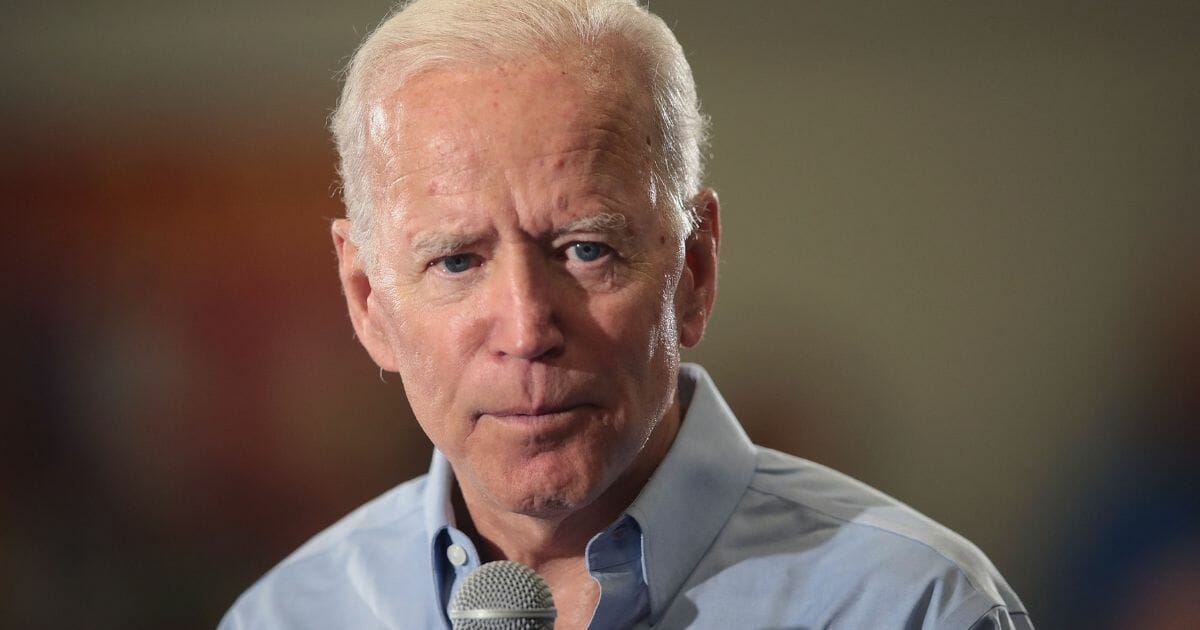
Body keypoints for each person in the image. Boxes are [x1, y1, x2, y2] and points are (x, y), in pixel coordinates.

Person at [220, 1, 1033, 628]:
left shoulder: (909, 608)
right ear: (368, 303)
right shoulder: (287, 616)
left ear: (695, 271)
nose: (526, 328)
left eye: (585, 250)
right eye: (457, 261)